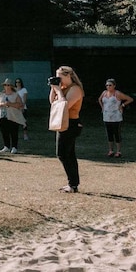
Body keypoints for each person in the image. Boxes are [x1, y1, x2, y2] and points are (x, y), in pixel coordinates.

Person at [49, 65, 85, 193]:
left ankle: (72, 184)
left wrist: (58, 90)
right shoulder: (63, 88)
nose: (58, 79)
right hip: (63, 122)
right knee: (69, 154)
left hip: (71, 124)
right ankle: (73, 184)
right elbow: (52, 102)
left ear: (68, 75)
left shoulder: (75, 89)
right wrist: (54, 88)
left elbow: (65, 106)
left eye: (60, 77)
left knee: (63, 154)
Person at [98, 78, 133, 158]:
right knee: (109, 133)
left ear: (114, 86)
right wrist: (102, 107)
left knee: (116, 133)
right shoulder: (104, 93)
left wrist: (122, 105)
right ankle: (110, 150)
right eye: (107, 85)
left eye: (110, 85)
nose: (108, 87)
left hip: (116, 116)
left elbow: (130, 99)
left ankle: (118, 151)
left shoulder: (117, 93)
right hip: (106, 116)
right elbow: (99, 99)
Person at [0, 79, 25, 153]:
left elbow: (20, 105)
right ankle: (6, 146)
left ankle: (14, 147)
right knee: (4, 132)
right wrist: (2, 104)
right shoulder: (1, 94)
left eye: (8, 85)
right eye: (5, 85)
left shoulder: (15, 94)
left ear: (11, 86)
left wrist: (10, 104)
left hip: (13, 116)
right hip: (2, 116)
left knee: (13, 132)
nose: (6, 87)